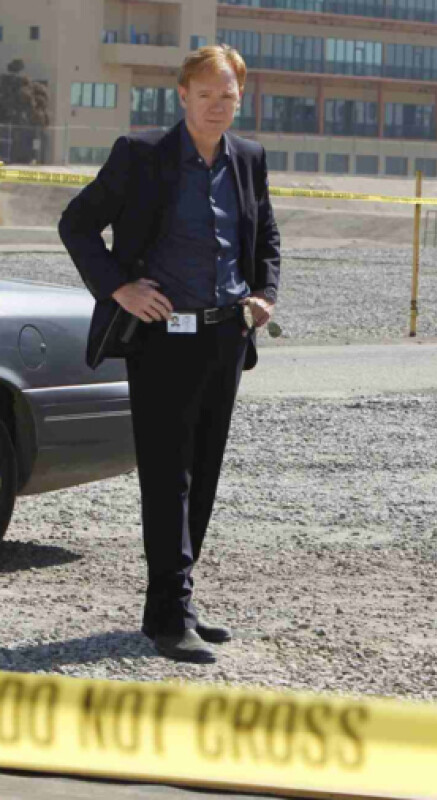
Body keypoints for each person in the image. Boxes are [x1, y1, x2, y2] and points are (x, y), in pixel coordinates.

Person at [58, 45, 281, 664]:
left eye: (227, 95)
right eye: (205, 94)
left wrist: (264, 294)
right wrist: (118, 288)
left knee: (203, 474)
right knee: (167, 477)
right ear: (183, 96)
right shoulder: (141, 155)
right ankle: (171, 615)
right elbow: (76, 223)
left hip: (226, 337)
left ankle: (172, 605)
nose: (216, 105)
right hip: (160, 340)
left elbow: (265, 233)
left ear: (241, 97)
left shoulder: (248, 158)